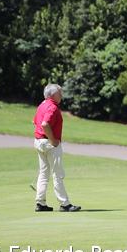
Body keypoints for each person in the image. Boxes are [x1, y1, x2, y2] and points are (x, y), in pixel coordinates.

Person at [32, 84, 81, 212]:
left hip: (39, 142)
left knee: (43, 173)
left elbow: (35, 122)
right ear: (53, 95)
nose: (62, 95)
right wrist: (53, 140)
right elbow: (44, 124)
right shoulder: (52, 107)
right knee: (57, 174)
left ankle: (40, 203)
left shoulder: (42, 105)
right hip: (50, 143)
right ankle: (65, 204)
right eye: (60, 93)